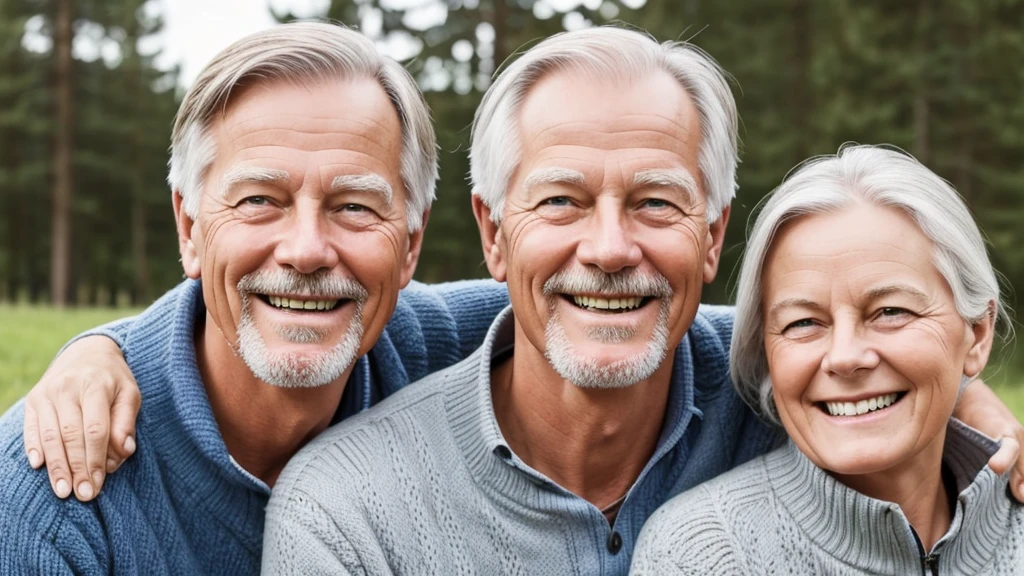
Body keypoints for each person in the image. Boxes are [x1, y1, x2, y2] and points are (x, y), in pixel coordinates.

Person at [15, 24, 1024, 573]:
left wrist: (963, 412)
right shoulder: (62, 490)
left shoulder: (769, 388)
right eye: (560, 202)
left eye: (657, 203)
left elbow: (845, 353)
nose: (607, 250)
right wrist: (110, 343)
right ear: (494, 236)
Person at [0, 22, 510, 574]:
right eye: (259, 199)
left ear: (410, 244)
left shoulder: (429, 348)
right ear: (189, 227)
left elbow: (566, 298)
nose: (306, 250)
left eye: (355, 207)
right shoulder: (50, 493)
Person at [631, 145, 1024, 575]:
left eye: (891, 312)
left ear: (978, 335)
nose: (844, 357)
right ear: (765, 351)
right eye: (803, 322)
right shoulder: (699, 554)